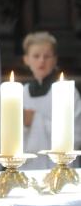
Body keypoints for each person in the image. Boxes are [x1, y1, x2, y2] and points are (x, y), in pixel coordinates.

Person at [21, 32, 81, 169]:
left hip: (60, 165)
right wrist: (23, 125)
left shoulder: (67, 91)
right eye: (36, 56)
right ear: (26, 59)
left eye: (47, 56)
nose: (41, 61)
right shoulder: (20, 93)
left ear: (55, 60)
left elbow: (75, 135)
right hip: (30, 167)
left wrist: (35, 120)